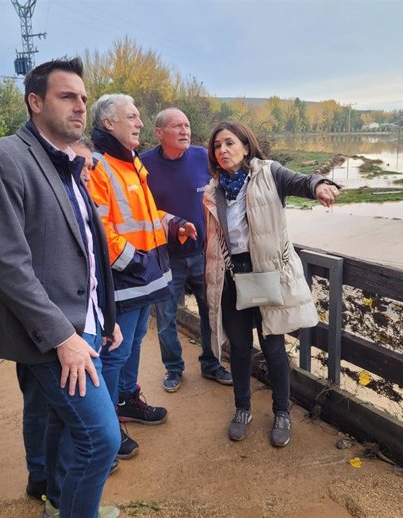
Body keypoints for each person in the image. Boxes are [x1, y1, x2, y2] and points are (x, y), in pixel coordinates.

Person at [0, 57, 122, 518]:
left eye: (84, 98)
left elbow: (86, 248)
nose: (80, 107)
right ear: (35, 102)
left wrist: (104, 316)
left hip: (86, 323)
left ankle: (58, 502)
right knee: (101, 439)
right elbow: (7, 263)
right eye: (67, 96)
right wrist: (63, 338)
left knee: (60, 424)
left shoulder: (69, 164)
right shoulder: (1, 157)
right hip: (52, 336)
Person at [203, 121, 340, 448]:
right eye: (217, 146)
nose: (223, 150)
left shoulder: (268, 173)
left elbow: (302, 181)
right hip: (232, 279)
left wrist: (320, 185)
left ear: (246, 146)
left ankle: (281, 412)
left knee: (273, 348)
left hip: (266, 275)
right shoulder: (213, 190)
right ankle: (242, 409)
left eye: (229, 143)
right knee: (237, 348)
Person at [87, 94, 197, 458]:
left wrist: (174, 224)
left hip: (143, 275)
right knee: (115, 353)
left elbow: (147, 215)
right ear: (108, 123)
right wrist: (134, 261)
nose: (138, 123)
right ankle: (108, 426)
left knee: (133, 345)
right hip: (124, 278)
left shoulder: (130, 162)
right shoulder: (99, 166)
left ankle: (127, 399)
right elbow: (98, 228)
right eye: (131, 117)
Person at [141, 108, 232, 393]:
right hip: (165, 257)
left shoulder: (202, 157)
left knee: (211, 311)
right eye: (177, 126)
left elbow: (229, 184)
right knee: (167, 317)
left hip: (204, 254)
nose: (185, 131)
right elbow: (140, 208)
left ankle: (211, 363)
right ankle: (174, 369)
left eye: (187, 125)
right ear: (159, 133)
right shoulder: (142, 165)